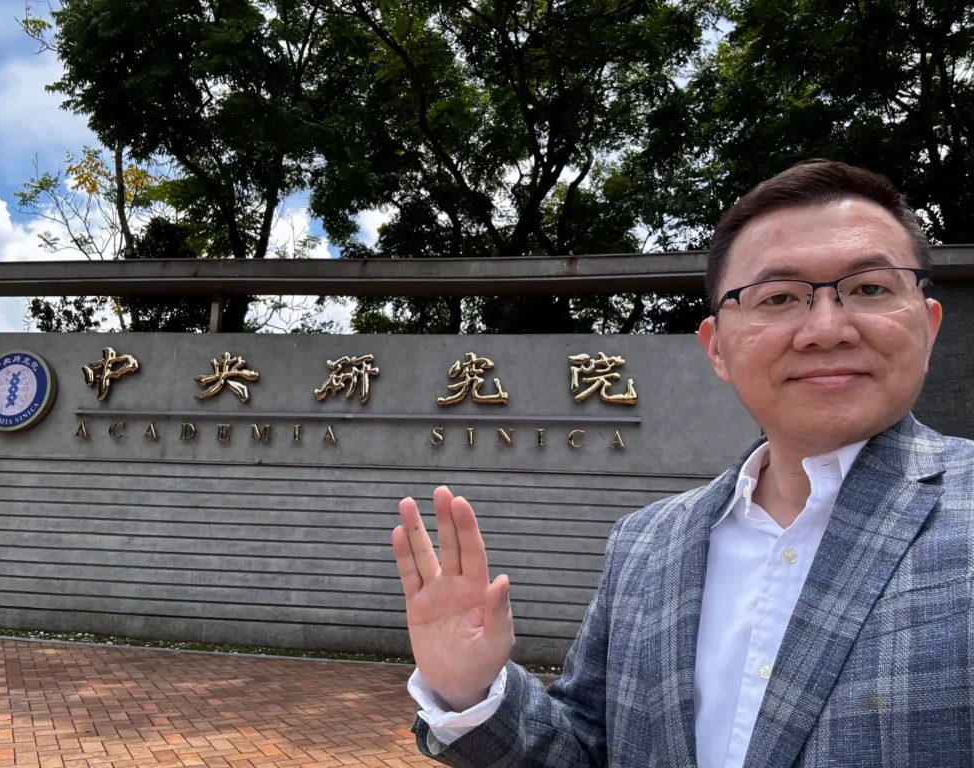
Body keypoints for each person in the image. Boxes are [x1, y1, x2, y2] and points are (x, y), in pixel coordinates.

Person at [390, 159, 974, 767]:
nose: (825, 329)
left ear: (928, 325)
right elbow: (586, 749)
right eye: (778, 297)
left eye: (869, 288)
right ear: (717, 347)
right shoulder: (645, 543)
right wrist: (470, 692)